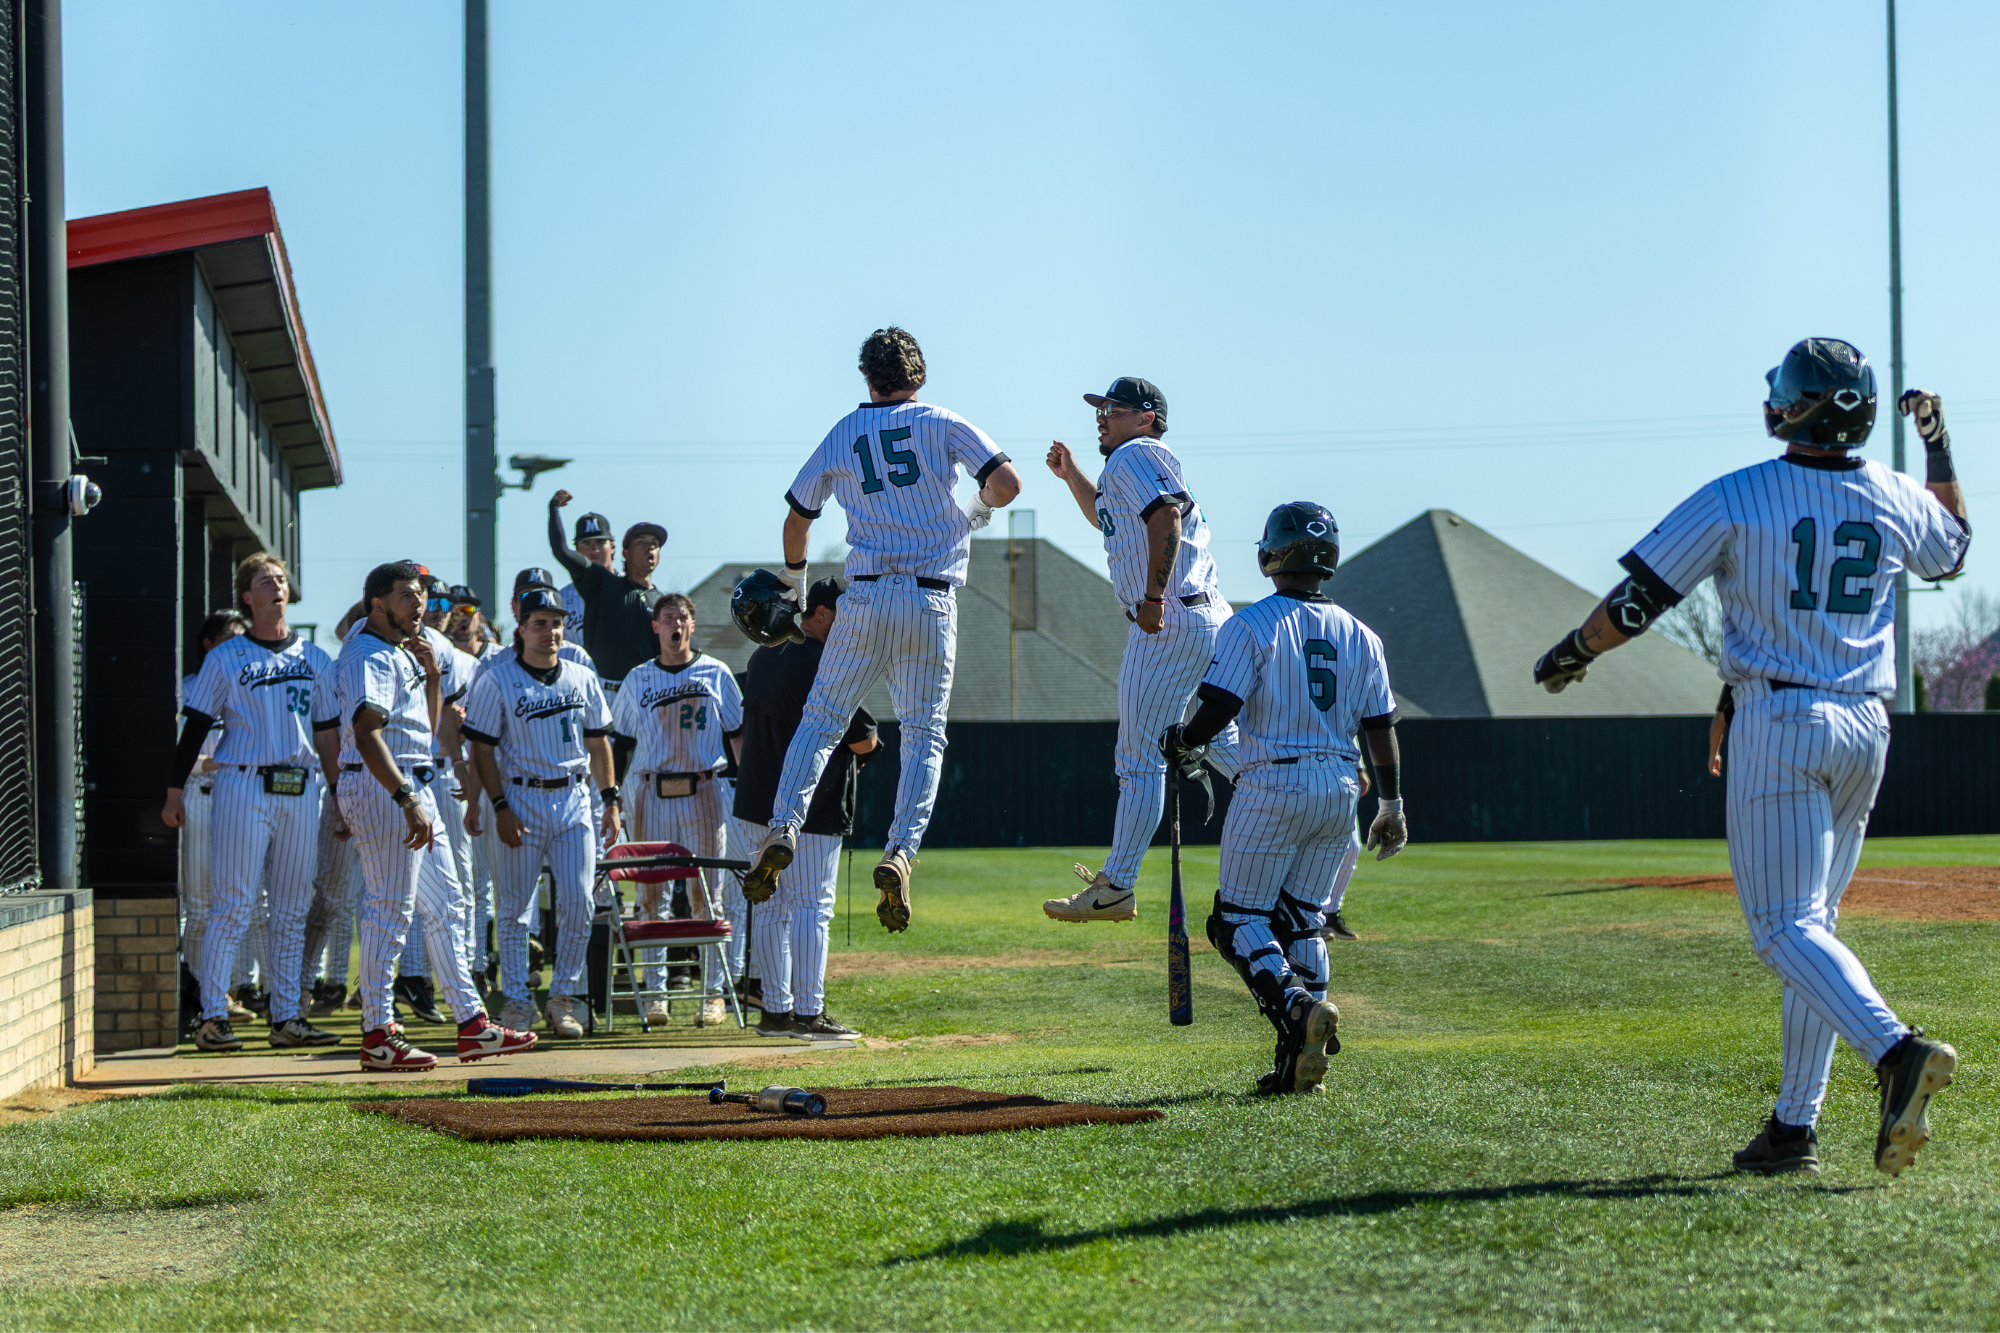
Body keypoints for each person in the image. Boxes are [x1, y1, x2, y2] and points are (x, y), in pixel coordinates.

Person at [1530, 339, 1970, 1177]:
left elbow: (1642, 597)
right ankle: (1793, 1126)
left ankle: (1896, 1050)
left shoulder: (1741, 493)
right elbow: (1953, 548)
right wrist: (1939, 444)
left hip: (1786, 718)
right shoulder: (1896, 491)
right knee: (1816, 927)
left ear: (1796, 406)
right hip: (1866, 723)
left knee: (1784, 928)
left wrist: (1574, 649)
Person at [741, 326, 1022, 931]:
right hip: (930, 598)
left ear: (868, 379)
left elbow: (797, 518)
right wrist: (965, 520)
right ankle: (900, 853)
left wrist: (794, 585)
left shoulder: (845, 430)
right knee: (923, 734)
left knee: (820, 722)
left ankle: (783, 827)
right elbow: (1006, 484)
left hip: (863, 597)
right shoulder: (941, 420)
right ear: (918, 376)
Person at [1167, 502, 1407, 1095]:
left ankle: (1296, 1008)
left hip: (1272, 782)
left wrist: (1184, 743)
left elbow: (1219, 706)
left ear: (1269, 556)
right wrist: (1392, 805)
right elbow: (1381, 728)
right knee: (1305, 920)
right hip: (1340, 788)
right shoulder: (1364, 634)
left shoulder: (1250, 624)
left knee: (1235, 920)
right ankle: (1298, 1062)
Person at [1042, 377, 1232, 923]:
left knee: (1139, 758)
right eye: (1100, 409)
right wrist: (1071, 475)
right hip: (1206, 617)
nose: (1102, 416)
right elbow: (1108, 515)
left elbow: (1164, 516)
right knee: (1227, 748)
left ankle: (1117, 886)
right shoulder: (1129, 464)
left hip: (1166, 623)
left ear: (1146, 416)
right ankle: (1307, 814)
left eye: (1113, 409)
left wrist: (1152, 596)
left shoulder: (1136, 453)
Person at [334, 561, 538, 1070]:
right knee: (389, 909)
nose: (419, 603)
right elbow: (366, 733)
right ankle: (378, 1032)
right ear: (377, 604)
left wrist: (430, 674)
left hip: (413, 778)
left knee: (447, 904)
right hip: (384, 785)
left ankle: (472, 1025)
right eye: (407, 595)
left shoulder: (408, 649)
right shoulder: (367, 652)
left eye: (422, 594)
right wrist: (405, 800)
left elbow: (423, 728)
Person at [161, 556, 341, 1053]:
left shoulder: (317, 659)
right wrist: (175, 790)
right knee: (234, 905)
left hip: (301, 787)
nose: (277, 587)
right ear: (248, 597)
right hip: (242, 782)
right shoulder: (226, 657)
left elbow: (328, 735)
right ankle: (213, 1016)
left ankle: (286, 1016)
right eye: (267, 581)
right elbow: (196, 725)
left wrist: (340, 796)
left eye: (281, 580)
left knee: (290, 909)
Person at [463, 587, 622, 1038]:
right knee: (514, 909)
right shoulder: (497, 680)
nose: (550, 631)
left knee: (579, 902)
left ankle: (561, 999)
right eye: (540, 622)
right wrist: (498, 806)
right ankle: (516, 1001)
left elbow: (598, 743)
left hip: (574, 800)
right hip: (520, 798)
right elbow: (482, 749)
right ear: (522, 627)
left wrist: (609, 800)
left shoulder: (580, 676)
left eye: (556, 622)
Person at [733, 577, 876, 1037]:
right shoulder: (827, 664)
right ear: (819, 614)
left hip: (753, 803)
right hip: (807, 811)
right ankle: (810, 1013)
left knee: (773, 909)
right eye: (845, 614)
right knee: (813, 907)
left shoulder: (761, 655)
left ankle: (775, 1012)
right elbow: (865, 740)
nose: (854, 625)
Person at [611, 593, 743, 1024]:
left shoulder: (716, 672)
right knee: (651, 898)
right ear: (655, 626)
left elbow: (738, 734)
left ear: (692, 625)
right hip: (650, 791)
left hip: (704, 788)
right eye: (667, 617)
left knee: (708, 894)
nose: (675, 624)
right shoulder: (638, 679)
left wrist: (749, 790)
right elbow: (620, 741)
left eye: (682, 617)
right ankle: (656, 995)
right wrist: (611, 797)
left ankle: (713, 994)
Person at [174, 610, 248, 1033]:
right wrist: (221, 761)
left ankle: (220, 992)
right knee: (200, 905)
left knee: (236, 901)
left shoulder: (245, 689)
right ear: (209, 643)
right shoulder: (187, 688)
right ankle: (199, 992)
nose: (238, 646)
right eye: (229, 638)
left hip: (239, 798)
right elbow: (179, 756)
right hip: (201, 796)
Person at [547, 490, 668, 686]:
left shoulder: (663, 602)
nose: (649, 548)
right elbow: (561, 550)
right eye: (641, 543)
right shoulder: (602, 583)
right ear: (625, 552)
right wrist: (554, 510)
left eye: (654, 544)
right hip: (603, 690)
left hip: (647, 693)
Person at [559, 509, 615, 640]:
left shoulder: (630, 588)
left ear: (612, 547)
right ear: (576, 550)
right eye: (586, 544)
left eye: (601, 543)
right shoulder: (560, 599)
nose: (594, 550)